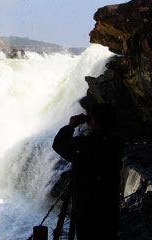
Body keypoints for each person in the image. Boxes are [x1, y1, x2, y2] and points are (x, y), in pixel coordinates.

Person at [52, 103, 124, 240]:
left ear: (95, 123)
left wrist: (70, 126)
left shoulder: (84, 145)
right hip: (109, 207)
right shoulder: (117, 143)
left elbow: (59, 144)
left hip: (87, 208)